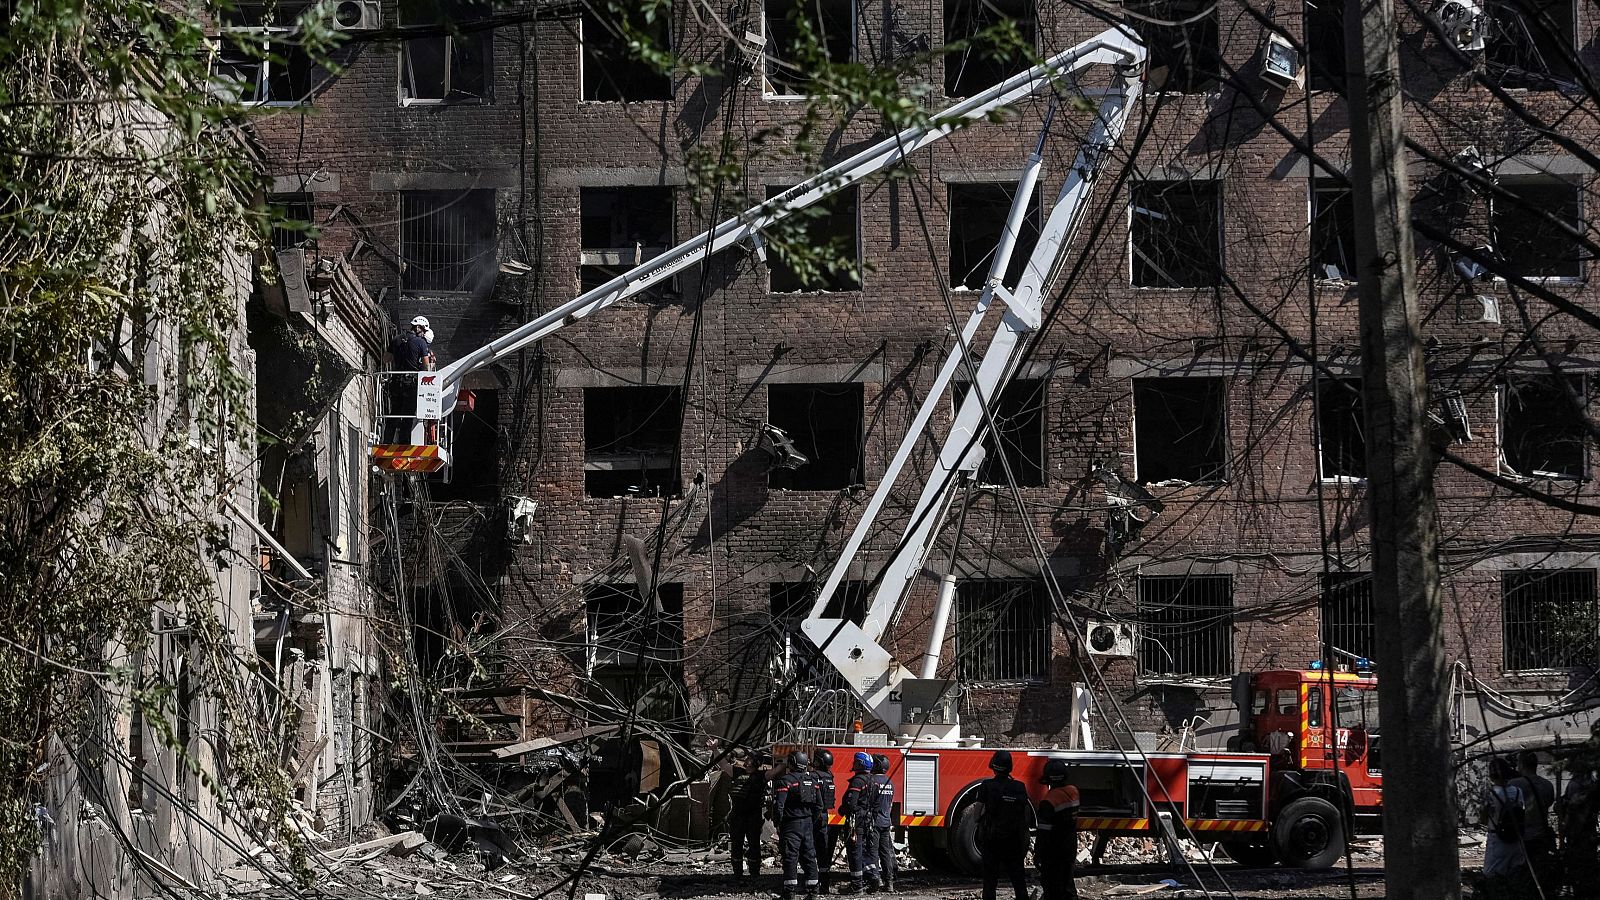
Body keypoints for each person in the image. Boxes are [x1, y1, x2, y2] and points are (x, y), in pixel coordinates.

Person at [975, 749, 1031, 900]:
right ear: (1010, 767)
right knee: (1018, 880)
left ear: (993, 766)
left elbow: (976, 812)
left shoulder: (986, 785)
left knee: (990, 881)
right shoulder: (1020, 787)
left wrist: (980, 822)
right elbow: (1025, 814)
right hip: (1013, 840)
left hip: (992, 840)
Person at [773, 751, 822, 900]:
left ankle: (789, 893)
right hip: (807, 824)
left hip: (791, 825)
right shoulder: (813, 781)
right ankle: (813, 892)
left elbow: (779, 806)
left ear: (792, 763)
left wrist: (778, 824)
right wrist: (811, 821)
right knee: (809, 857)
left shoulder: (785, 781)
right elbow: (819, 806)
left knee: (790, 857)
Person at [1482, 756, 1533, 899]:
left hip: (1497, 838)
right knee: (1514, 875)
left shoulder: (1491, 793)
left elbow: (1483, 818)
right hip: (1516, 838)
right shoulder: (1517, 791)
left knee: (1492, 876)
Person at [1511, 750, 1557, 893]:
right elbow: (1548, 804)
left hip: (1521, 837)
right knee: (1540, 875)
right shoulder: (1547, 785)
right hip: (1541, 835)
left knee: (1521, 876)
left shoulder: (1514, 785)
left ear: (1521, 765)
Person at [1034, 759, 1080, 900]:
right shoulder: (1074, 791)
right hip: (1070, 846)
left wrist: (1038, 853)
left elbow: (1044, 834)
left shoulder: (1048, 801)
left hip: (1054, 851)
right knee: (1068, 886)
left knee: (1052, 889)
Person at [1559, 761, 1599, 898]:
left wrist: (1565, 827)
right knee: (1587, 872)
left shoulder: (1577, 785)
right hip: (1588, 833)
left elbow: (1572, 810)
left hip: (1578, 833)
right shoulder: (1591, 784)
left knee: (1576, 869)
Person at [840, 751, 878, 893]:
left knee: (855, 852)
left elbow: (850, 803)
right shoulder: (872, 781)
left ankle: (857, 885)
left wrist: (843, 810)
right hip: (869, 820)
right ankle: (873, 876)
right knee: (867, 850)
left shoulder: (858, 781)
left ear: (859, 764)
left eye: (855, 762)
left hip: (856, 822)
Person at [727, 751, 768, 879]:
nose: (747, 760)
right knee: (736, 844)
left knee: (754, 845)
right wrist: (715, 749)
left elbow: (777, 770)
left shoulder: (761, 776)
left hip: (753, 817)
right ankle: (737, 873)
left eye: (750, 758)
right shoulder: (737, 772)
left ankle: (754, 873)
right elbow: (722, 764)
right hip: (737, 816)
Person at [811, 749, 837, 894]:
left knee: (809, 850)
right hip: (825, 816)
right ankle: (825, 885)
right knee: (823, 851)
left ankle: (813, 883)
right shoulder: (829, 777)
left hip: (814, 815)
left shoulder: (814, 776)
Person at [871, 754, 897, 893]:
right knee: (885, 852)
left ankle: (875, 881)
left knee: (873, 852)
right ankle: (889, 882)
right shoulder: (890, 783)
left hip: (874, 822)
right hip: (886, 822)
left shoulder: (873, 781)